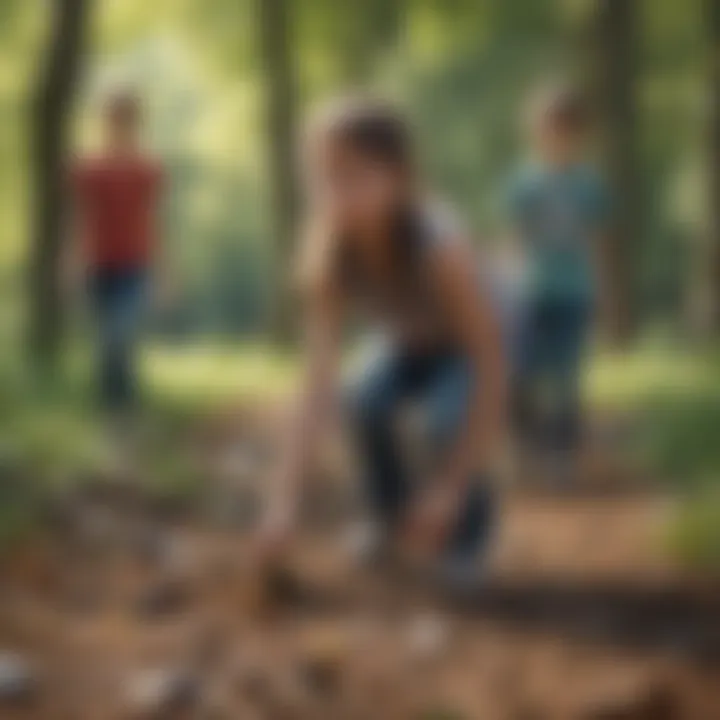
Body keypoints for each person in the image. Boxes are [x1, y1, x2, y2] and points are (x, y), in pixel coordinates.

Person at [255, 97, 507, 586]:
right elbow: (317, 384)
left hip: (470, 347)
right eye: (322, 177)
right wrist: (283, 503)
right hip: (408, 343)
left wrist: (451, 487)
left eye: (353, 175)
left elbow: (489, 359)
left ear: (400, 177)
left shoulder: (437, 243)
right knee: (364, 399)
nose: (335, 193)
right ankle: (389, 517)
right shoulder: (328, 250)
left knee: (444, 417)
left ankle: (467, 536)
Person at [507, 82, 610, 484]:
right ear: (534, 132)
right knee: (522, 372)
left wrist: (601, 294)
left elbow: (598, 240)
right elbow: (514, 237)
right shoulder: (524, 184)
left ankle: (562, 454)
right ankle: (525, 447)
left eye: (566, 130)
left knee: (566, 376)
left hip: (574, 291)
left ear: (580, 135)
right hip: (529, 291)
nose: (557, 138)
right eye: (549, 129)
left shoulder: (589, 184)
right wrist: (506, 286)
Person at [70, 90, 164, 414]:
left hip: (134, 265)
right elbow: (79, 218)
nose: (120, 124)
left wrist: (166, 272)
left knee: (121, 335)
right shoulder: (88, 168)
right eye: (114, 117)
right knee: (105, 342)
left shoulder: (147, 168)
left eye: (126, 117)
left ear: (136, 122)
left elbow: (154, 219)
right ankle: (111, 410)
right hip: (98, 264)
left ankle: (124, 409)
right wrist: (70, 262)